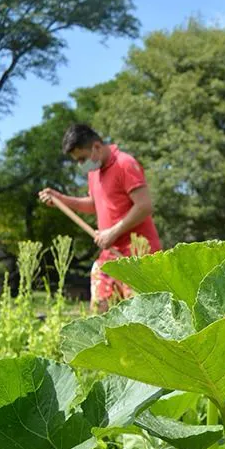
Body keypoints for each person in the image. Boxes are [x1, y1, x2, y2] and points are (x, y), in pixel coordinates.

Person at [38, 124, 162, 312]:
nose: (81, 164)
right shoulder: (94, 173)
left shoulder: (125, 164)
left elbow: (144, 206)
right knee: (100, 314)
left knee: (143, 320)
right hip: (109, 255)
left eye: (82, 159)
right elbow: (95, 204)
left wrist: (112, 232)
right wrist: (61, 199)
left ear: (96, 147)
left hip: (138, 255)